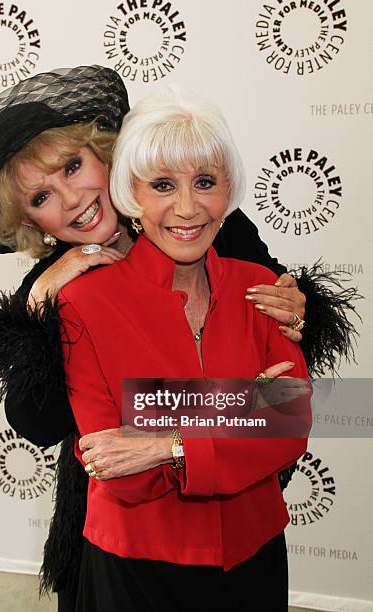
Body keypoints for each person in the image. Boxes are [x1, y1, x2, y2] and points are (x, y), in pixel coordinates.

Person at [0, 66, 359, 610]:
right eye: (41, 197)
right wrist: (39, 310)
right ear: (31, 221)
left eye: (72, 166)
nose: (68, 198)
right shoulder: (57, 292)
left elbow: (288, 405)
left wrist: (302, 317)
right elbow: (43, 425)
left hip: (243, 522)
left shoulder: (212, 227)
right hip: (120, 532)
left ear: (104, 156)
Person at [56, 87, 311, 611]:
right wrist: (246, 406)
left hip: (254, 551)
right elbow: (114, 466)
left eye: (205, 182)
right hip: (136, 562)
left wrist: (163, 440)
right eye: (163, 185)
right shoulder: (83, 301)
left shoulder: (261, 288)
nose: (188, 208)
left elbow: (292, 424)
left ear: (228, 190)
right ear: (131, 194)